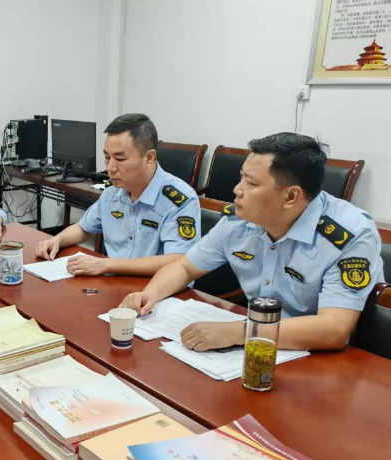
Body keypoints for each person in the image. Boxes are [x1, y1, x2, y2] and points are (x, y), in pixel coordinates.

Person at [121, 132, 385, 352]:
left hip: (324, 357)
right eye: (241, 177)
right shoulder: (240, 220)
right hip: (256, 345)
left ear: (291, 197)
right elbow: (185, 267)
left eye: (250, 183)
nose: (237, 189)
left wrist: (239, 332)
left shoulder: (350, 235)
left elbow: (334, 329)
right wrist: (149, 295)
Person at [35, 113, 200, 276]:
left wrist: (107, 265)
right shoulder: (112, 192)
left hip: (158, 287)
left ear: (149, 157)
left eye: (120, 159)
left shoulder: (180, 199)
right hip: (114, 283)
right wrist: (56, 240)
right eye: (107, 157)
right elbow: (83, 228)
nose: (110, 168)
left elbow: (178, 261)